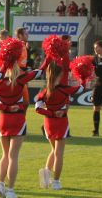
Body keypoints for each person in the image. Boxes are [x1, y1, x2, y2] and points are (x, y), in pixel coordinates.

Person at [0, 38, 39, 198]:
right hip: (17, 119)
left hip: (3, 119)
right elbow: (38, 72)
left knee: (4, 155)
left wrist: (5, 108)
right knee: (13, 156)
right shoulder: (21, 78)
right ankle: (10, 190)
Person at [34, 57, 85, 190]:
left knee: (54, 150)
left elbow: (37, 108)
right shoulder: (64, 89)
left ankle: (46, 173)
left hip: (48, 123)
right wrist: (83, 76)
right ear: (60, 75)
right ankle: (56, 181)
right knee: (59, 153)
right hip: (61, 122)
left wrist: (50, 113)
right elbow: (81, 88)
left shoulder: (44, 92)